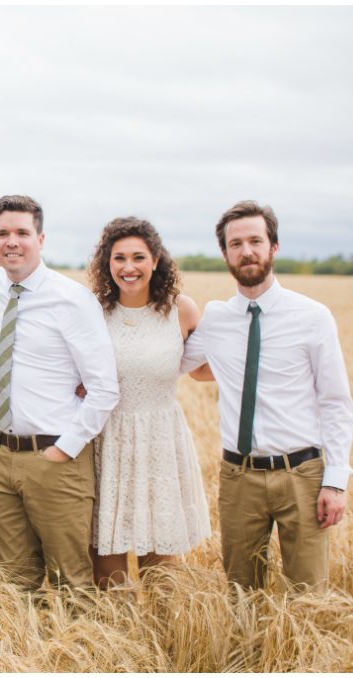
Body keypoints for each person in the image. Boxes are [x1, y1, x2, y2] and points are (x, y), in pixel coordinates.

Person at [181, 200, 353, 591]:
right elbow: (170, 364)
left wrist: (336, 481)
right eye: (236, 243)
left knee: (308, 593)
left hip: (303, 475)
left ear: (273, 247)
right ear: (225, 253)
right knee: (242, 591)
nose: (246, 251)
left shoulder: (312, 316)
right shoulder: (216, 319)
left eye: (255, 241)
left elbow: (335, 401)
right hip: (238, 476)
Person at [0, 194, 119, 591]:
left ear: (41, 238)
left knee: (72, 578)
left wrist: (64, 448)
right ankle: (30, 653)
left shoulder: (71, 299)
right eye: (2, 234)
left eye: (22, 232)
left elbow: (104, 387)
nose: (11, 242)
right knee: (18, 580)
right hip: (2, 457)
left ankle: (82, 652)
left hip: (55, 458)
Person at [86, 217, 212, 588]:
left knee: (161, 566)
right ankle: (117, 640)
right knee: (107, 567)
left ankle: (164, 639)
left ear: (156, 260)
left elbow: (205, 368)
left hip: (160, 441)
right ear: (107, 263)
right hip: (106, 441)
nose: (128, 267)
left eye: (138, 257)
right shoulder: (94, 312)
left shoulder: (181, 310)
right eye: (118, 258)